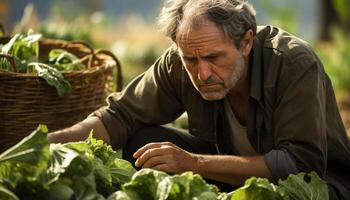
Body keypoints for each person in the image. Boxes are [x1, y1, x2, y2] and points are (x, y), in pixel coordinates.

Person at [48, 0, 350, 199]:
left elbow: (299, 164)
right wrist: (49, 144)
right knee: (145, 142)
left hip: (313, 188)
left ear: (245, 42)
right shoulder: (182, 60)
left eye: (214, 58)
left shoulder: (292, 63)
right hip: (234, 179)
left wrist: (194, 163)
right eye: (190, 59)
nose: (202, 73)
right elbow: (120, 116)